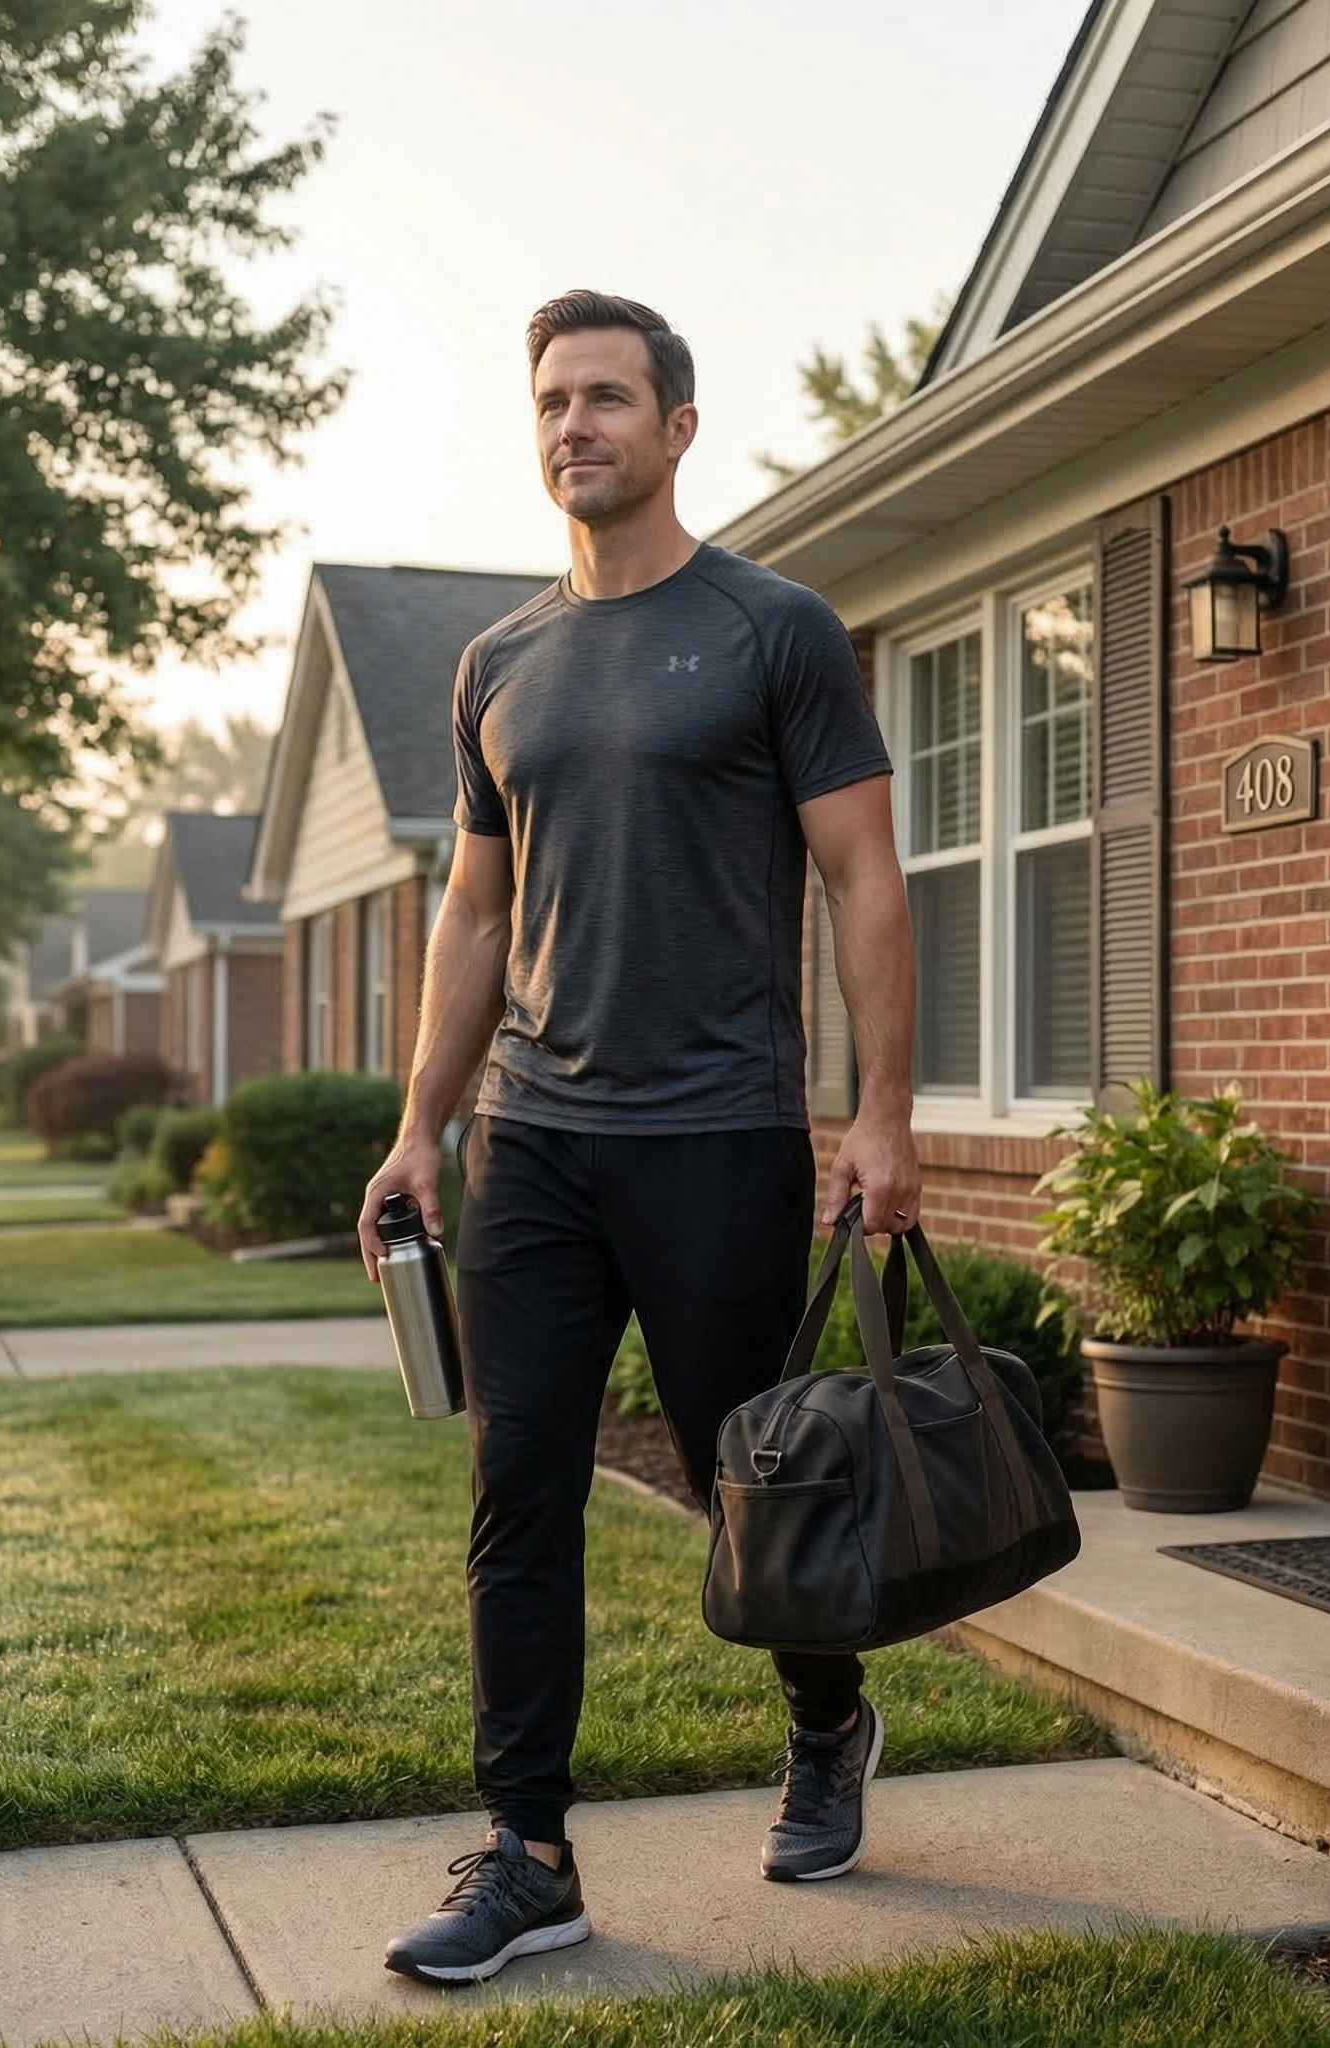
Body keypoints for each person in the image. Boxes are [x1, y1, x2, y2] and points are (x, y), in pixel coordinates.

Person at [357, 289, 920, 1989]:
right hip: (536, 1141)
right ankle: (528, 1851)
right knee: (514, 1486)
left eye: (607, 398)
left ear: (679, 427)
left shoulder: (775, 630)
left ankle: (828, 1722)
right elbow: (473, 912)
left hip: (719, 1133)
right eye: (550, 402)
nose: (574, 425)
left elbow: (863, 877)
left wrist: (882, 1111)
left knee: (748, 1473)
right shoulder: (496, 664)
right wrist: (421, 1126)